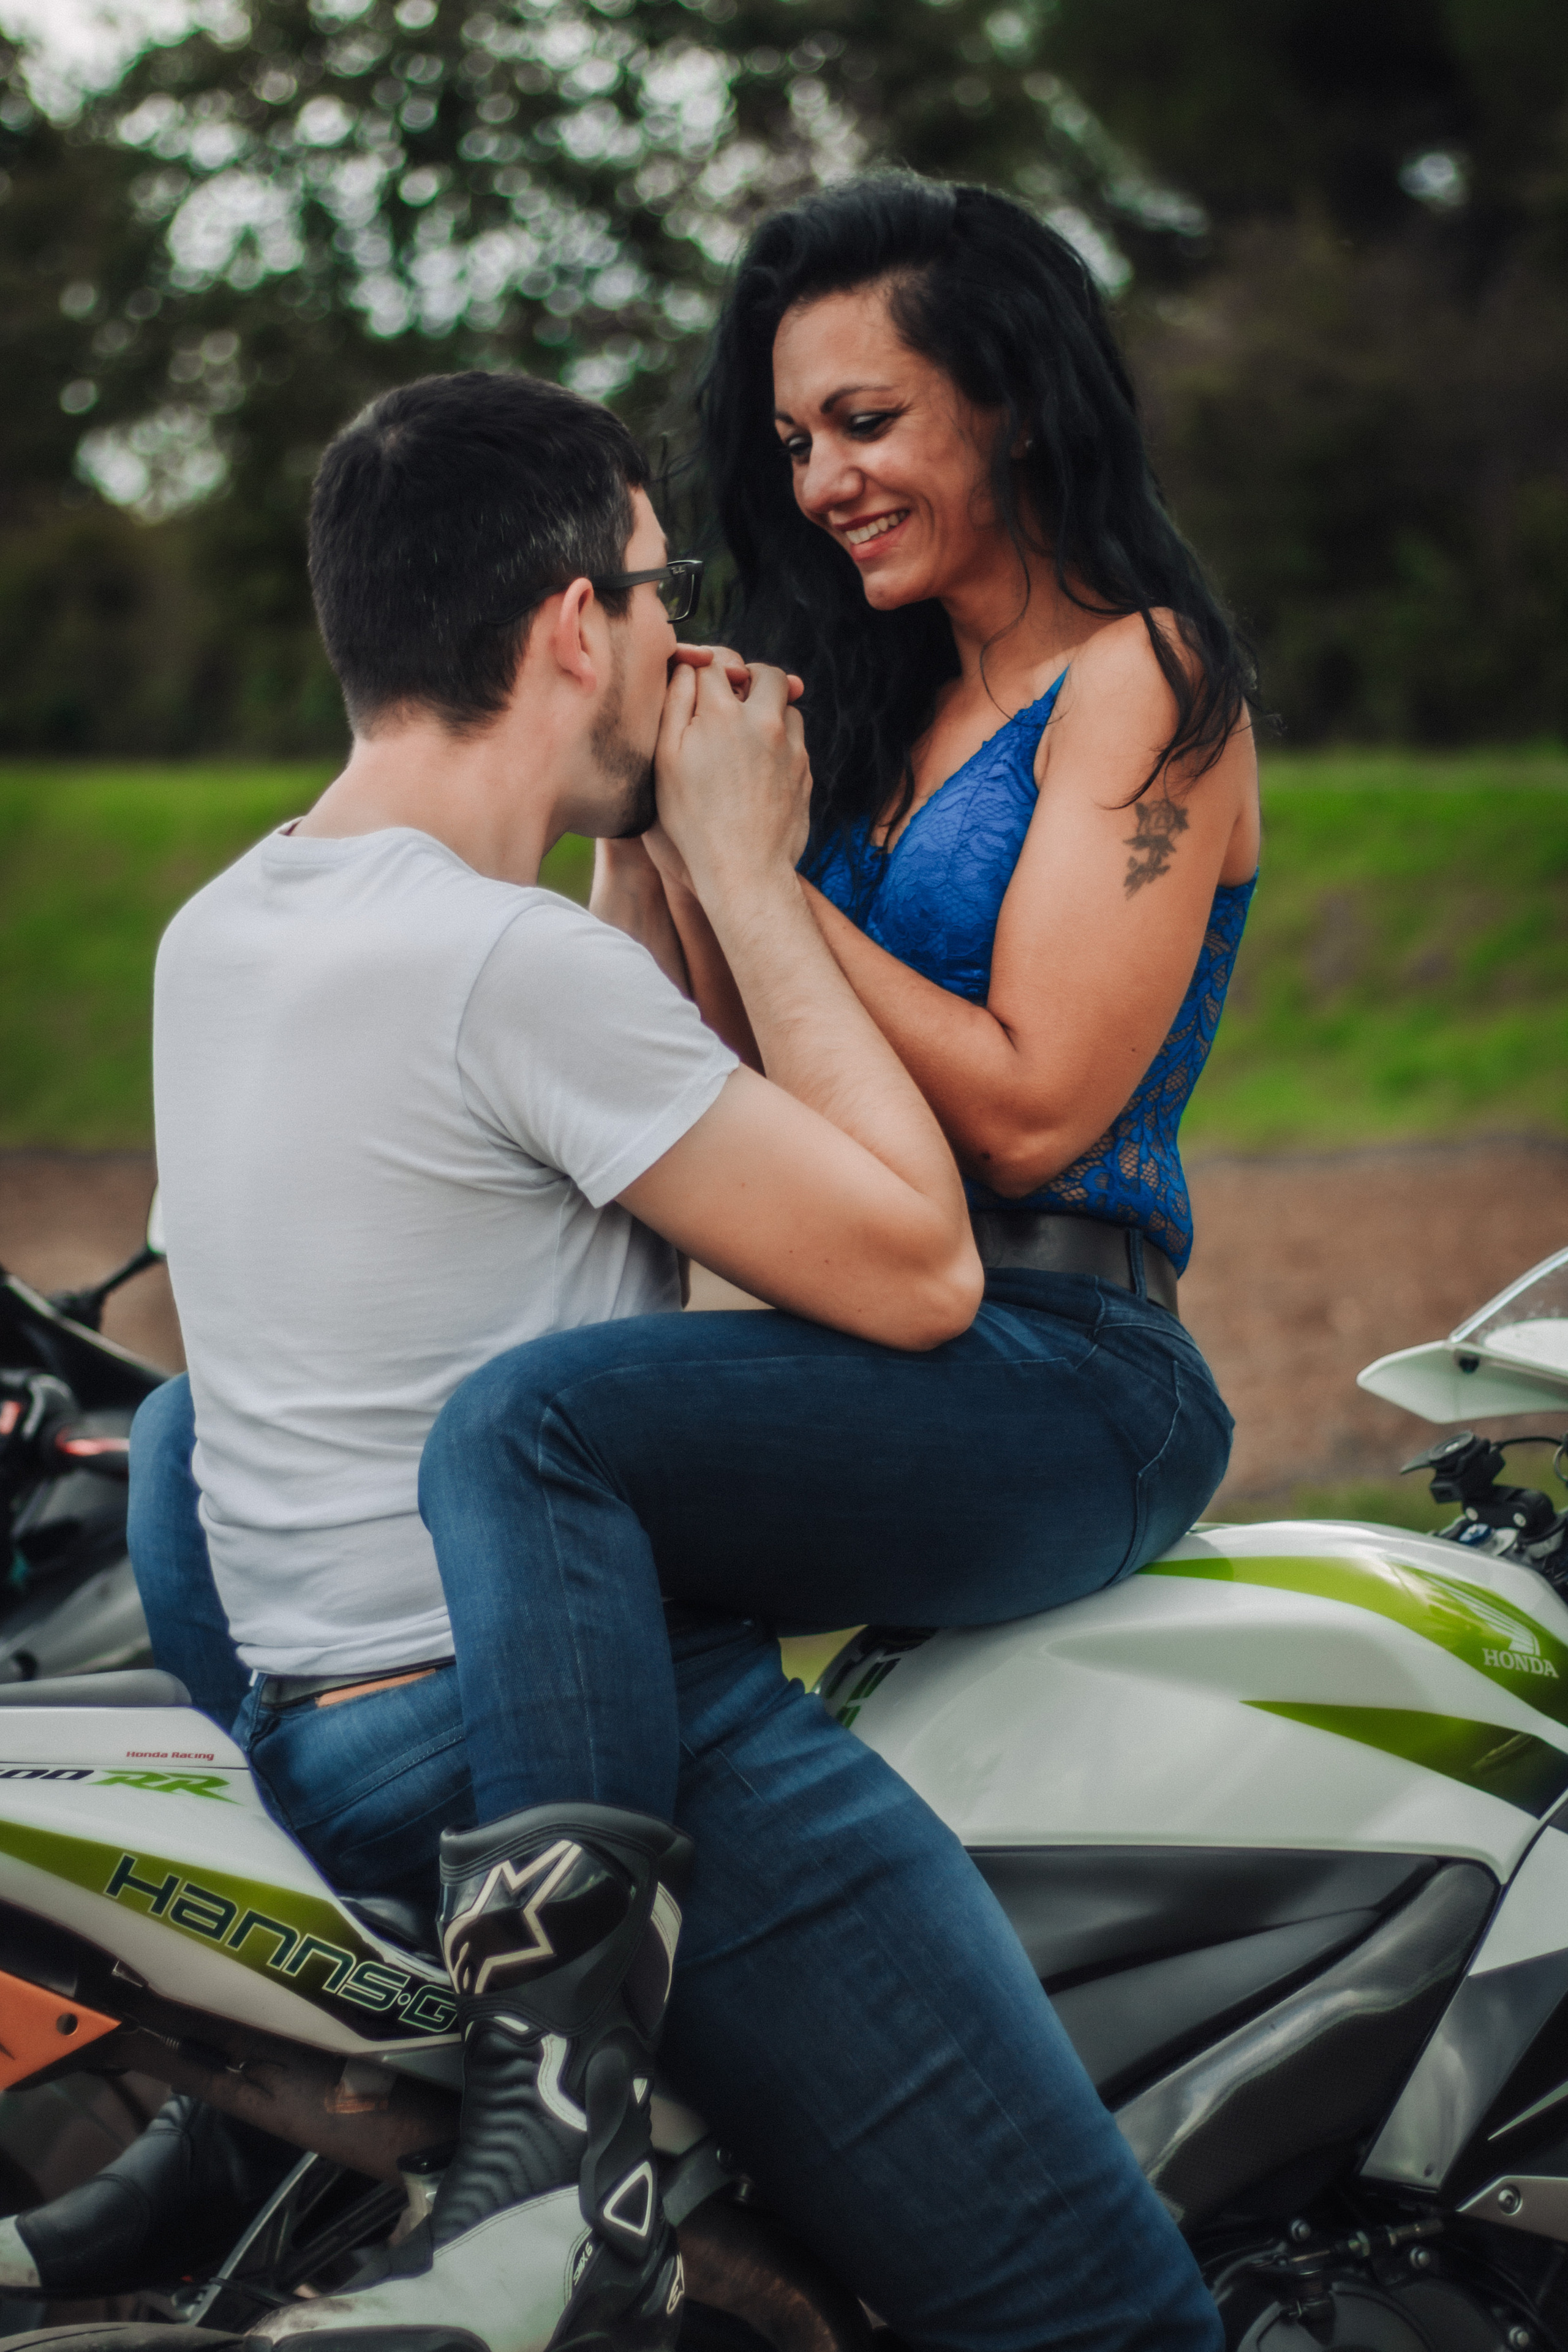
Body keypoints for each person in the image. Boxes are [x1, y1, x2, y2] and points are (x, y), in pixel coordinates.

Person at [97, 361, 1223, 2352]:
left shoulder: (230, 931)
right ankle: (563, 2150)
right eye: (658, 578)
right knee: (1104, 2319)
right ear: (570, 628)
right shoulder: (501, 968)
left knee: (194, 1418)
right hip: (580, 1720)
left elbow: (555, 1114)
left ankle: (320, 2124)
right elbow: (916, 1271)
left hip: (322, 1734)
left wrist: (639, 855)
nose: (684, 620)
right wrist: (753, 871)